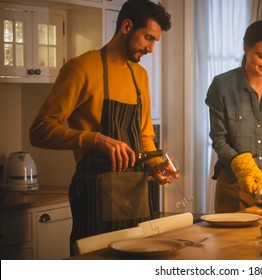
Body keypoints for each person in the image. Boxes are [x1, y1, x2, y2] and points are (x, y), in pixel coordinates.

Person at [29, 0, 173, 251]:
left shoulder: (140, 75)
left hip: (135, 195)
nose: (151, 48)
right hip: (94, 195)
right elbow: (39, 130)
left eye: (155, 42)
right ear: (127, 26)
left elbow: (144, 136)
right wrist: (93, 138)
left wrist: (155, 166)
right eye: (148, 38)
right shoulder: (81, 68)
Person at [205, 20, 262, 213]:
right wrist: (242, 165)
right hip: (235, 189)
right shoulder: (222, 86)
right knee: (233, 243)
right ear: (246, 48)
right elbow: (219, 140)